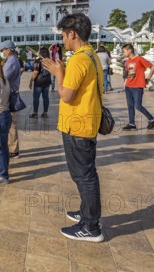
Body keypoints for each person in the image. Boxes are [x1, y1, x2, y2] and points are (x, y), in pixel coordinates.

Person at [42, 13, 104, 242]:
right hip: (85, 123)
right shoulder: (91, 55)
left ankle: (90, 226)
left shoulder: (78, 58)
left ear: (73, 34)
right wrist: (62, 72)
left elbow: (66, 95)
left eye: (64, 36)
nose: (63, 41)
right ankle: (87, 213)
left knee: (84, 176)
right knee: (85, 174)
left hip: (77, 126)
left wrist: (58, 74)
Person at [121, 43, 154, 130]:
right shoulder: (127, 61)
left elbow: (153, 67)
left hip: (137, 87)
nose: (123, 53)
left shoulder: (139, 59)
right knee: (130, 105)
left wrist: (148, 78)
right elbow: (127, 73)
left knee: (137, 105)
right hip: (128, 86)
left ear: (130, 51)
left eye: (124, 51)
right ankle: (131, 124)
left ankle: (151, 119)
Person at [0, 40, 22, 158]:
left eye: (3, 50)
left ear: (8, 50)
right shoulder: (12, 60)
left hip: (10, 95)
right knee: (10, 123)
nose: (2, 52)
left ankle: (13, 149)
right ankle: (13, 148)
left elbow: (3, 78)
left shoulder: (12, 61)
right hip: (10, 93)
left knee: (11, 123)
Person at [29, 47, 51, 118]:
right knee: (46, 97)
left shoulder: (37, 61)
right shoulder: (49, 61)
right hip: (47, 81)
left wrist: (31, 81)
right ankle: (45, 113)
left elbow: (35, 72)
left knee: (36, 98)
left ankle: (35, 113)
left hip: (39, 82)